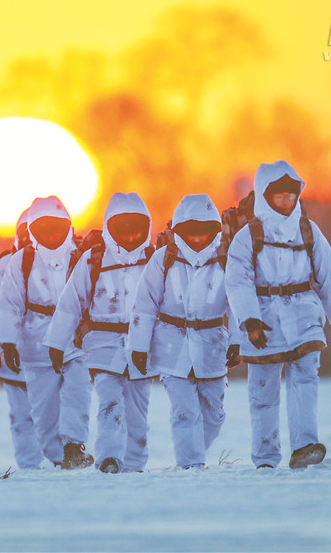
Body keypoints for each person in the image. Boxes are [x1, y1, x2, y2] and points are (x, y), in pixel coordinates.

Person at [225, 161, 331, 470]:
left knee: (306, 377)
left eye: (292, 196)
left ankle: (305, 445)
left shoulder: (308, 230)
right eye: (280, 196)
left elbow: (329, 276)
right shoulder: (247, 236)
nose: (287, 202)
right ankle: (265, 457)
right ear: (265, 196)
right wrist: (249, 320)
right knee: (263, 389)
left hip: (304, 314)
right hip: (262, 320)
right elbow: (237, 280)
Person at [45, 193, 156, 473]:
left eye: (136, 231)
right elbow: (71, 303)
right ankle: (109, 458)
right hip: (103, 343)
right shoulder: (93, 260)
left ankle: (134, 463)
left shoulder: (154, 260)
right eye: (123, 231)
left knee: (137, 408)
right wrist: (57, 343)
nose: (130, 238)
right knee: (109, 399)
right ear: (110, 227)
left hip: (143, 344)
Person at [129, 194, 228, 470]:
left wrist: (240, 341)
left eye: (204, 232)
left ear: (214, 230)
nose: (197, 238)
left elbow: (238, 302)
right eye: (191, 232)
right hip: (171, 346)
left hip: (212, 345)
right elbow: (144, 304)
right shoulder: (164, 259)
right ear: (179, 230)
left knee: (214, 414)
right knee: (184, 411)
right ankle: (190, 465)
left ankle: (192, 450)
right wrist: (138, 346)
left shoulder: (224, 258)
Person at [0, 196, 94, 470]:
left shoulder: (80, 256)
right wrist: (7, 342)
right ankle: (58, 454)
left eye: (57, 229)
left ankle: (74, 445)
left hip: (75, 343)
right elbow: (9, 304)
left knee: (78, 393)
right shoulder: (22, 261)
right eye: (44, 230)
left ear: (68, 227)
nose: (52, 236)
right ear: (33, 232)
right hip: (35, 346)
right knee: (43, 410)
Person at [0, 209, 45, 470]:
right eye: (25, 234)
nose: (30, 240)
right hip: (14, 354)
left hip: (51, 354)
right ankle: (29, 464)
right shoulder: (6, 265)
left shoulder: (63, 262)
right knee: (21, 416)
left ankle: (61, 459)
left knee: (54, 411)